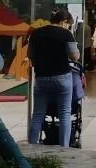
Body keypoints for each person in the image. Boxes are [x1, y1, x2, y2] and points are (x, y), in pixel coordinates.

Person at [28, 8, 80, 147]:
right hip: (62, 77)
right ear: (63, 22)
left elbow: (30, 55)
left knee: (37, 115)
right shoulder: (66, 33)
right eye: (68, 24)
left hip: (41, 78)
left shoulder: (36, 33)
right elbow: (74, 56)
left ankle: (31, 146)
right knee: (64, 114)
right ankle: (64, 149)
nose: (68, 27)